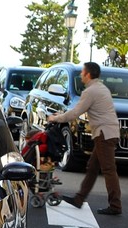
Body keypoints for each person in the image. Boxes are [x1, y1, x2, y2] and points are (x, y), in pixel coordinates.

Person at [47, 62, 122, 215]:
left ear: (88, 74)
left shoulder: (91, 91)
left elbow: (75, 113)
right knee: (92, 167)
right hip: (108, 132)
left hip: (103, 134)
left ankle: (115, 205)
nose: (81, 74)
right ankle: (79, 199)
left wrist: (56, 118)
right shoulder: (102, 88)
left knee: (108, 169)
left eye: (82, 72)